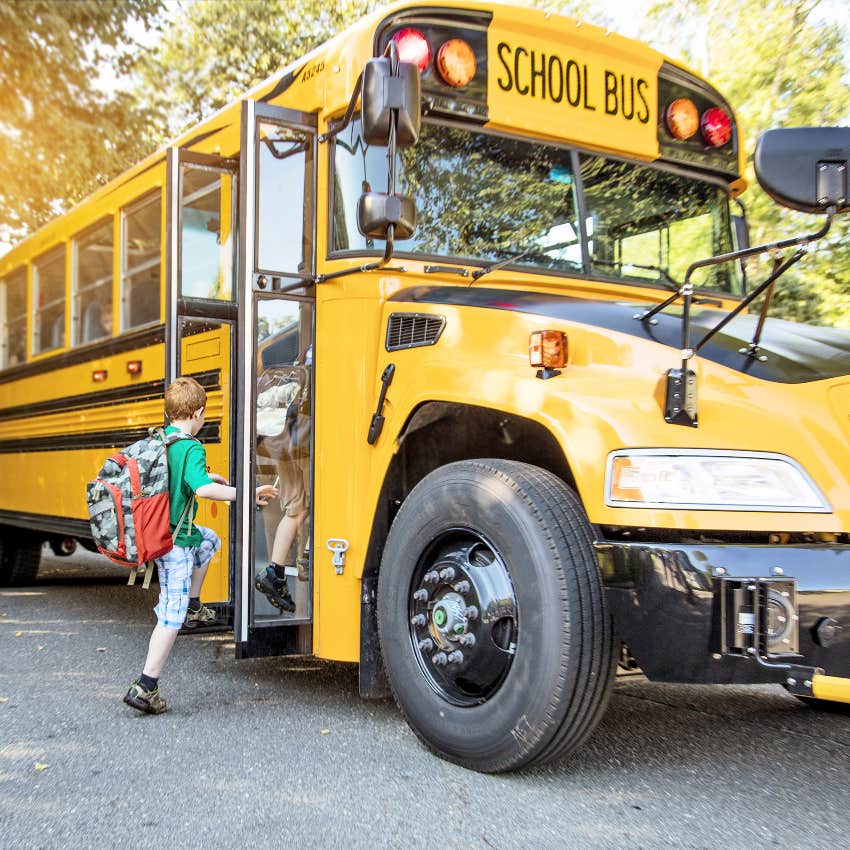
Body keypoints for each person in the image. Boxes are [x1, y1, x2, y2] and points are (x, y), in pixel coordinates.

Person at [123, 376, 277, 715]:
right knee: (170, 618)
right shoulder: (192, 445)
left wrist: (211, 477)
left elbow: (189, 479)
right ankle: (145, 686)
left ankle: (194, 602)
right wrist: (244, 494)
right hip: (174, 546)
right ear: (198, 412)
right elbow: (202, 491)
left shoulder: (164, 439)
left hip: (169, 535)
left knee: (209, 540)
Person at [254, 346, 311, 613]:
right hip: (306, 444)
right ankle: (307, 560)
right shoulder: (318, 357)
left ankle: (274, 571)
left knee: (295, 510)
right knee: (315, 505)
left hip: (283, 444)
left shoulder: (294, 363)